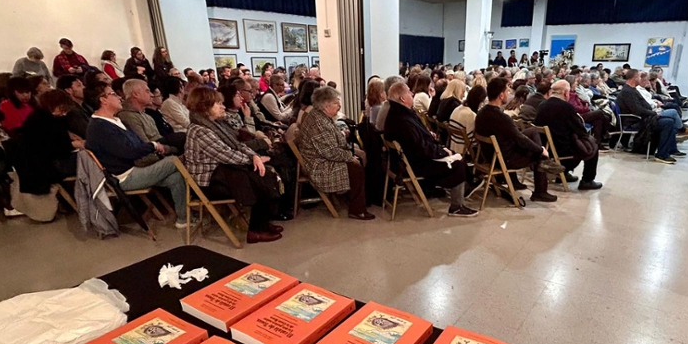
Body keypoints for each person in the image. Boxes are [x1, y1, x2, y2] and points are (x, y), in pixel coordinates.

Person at [84, 81, 189, 228]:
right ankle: (204, 194)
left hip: (134, 168)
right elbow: (130, 152)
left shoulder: (113, 120)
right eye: (113, 94)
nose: (119, 97)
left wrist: (151, 147)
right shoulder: (100, 127)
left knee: (175, 177)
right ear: (103, 100)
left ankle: (184, 219)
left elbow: (137, 144)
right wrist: (153, 146)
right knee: (174, 160)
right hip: (124, 177)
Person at [184, 86, 283, 242]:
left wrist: (255, 157)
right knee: (258, 178)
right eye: (218, 103)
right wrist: (252, 160)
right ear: (205, 107)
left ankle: (261, 224)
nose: (223, 106)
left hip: (221, 173)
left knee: (261, 175)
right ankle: (255, 230)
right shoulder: (200, 130)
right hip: (209, 183)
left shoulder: (214, 124)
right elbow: (226, 154)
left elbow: (238, 145)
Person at [383, 82, 478, 217]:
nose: (412, 93)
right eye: (409, 92)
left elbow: (417, 141)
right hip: (417, 164)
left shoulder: (397, 113)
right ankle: (457, 206)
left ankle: (463, 187)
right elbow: (420, 148)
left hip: (407, 160)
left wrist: (431, 140)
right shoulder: (403, 119)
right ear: (403, 98)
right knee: (458, 163)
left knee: (455, 156)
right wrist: (442, 152)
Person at [297, 87, 374, 220]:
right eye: (336, 103)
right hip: (319, 165)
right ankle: (357, 210)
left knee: (358, 157)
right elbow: (330, 152)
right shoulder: (318, 123)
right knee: (355, 168)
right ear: (325, 106)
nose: (339, 106)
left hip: (322, 158)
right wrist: (350, 157)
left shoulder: (320, 115)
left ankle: (357, 199)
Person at [474, 77, 555, 202]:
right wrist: (540, 150)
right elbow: (519, 139)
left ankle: (517, 180)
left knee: (532, 131)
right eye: (507, 91)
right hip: (505, 159)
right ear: (501, 95)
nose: (509, 94)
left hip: (490, 155)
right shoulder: (501, 118)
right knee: (538, 154)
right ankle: (540, 191)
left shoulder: (481, 113)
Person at [534, 80, 603, 190]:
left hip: (546, 147)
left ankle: (563, 175)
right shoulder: (566, 107)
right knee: (592, 143)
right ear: (566, 93)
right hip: (562, 150)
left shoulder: (542, 105)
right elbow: (581, 130)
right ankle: (587, 180)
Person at [17, 90, 82, 195]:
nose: (64, 113)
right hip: (46, 167)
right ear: (53, 105)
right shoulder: (41, 121)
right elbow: (49, 149)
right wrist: (73, 145)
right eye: (62, 109)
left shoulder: (44, 117)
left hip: (47, 163)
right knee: (91, 160)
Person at [616, 69, 682, 164]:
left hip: (643, 118)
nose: (641, 79)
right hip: (635, 121)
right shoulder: (628, 92)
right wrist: (654, 114)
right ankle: (662, 154)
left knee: (669, 120)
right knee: (668, 122)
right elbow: (637, 110)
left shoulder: (632, 90)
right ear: (635, 78)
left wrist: (652, 112)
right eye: (639, 77)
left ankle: (667, 150)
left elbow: (643, 106)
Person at [118, 79, 185, 152]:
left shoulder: (146, 115)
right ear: (135, 94)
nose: (151, 95)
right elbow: (145, 146)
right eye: (147, 91)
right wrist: (173, 150)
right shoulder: (127, 117)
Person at [448, 85, 486, 154]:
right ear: (479, 101)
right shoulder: (470, 115)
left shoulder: (457, 109)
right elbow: (472, 141)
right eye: (482, 102)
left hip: (453, 147)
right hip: (464, 151)